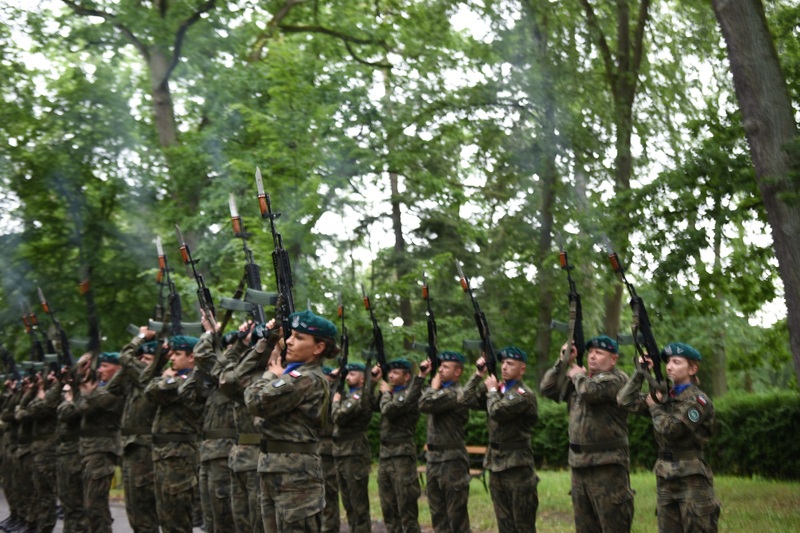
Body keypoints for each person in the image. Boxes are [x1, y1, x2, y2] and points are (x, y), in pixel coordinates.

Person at [243, 310, 338, 532]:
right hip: (275, 468)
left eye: (299, 337)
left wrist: (270, 375)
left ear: (318, 347)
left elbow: (255, 401)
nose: (289, 342)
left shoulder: (306, 378)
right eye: (291, 335)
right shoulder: (292, 374)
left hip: (295, 475)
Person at [617, 342, 721, 532]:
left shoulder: (698, 401)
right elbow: (625, 400)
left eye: (676, 362)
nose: (670, 367)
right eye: (668, 362)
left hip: (691, 477)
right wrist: (641, 372)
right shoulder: (664, 396)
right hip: (665, 475)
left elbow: (672, 429)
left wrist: (655, 407)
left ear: (692, 369)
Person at [540, 335, 634, 533]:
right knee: (585, 527)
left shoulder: (618, 380)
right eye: (590, 352)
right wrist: (563, 361)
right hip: (579, 465)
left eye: (599, 353)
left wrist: (577, 375)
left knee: (613, 525)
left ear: (613, 359)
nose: (592, 356)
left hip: (607, 466)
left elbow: (590, 392)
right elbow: (547, 388)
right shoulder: (582, 380)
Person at [460, 346, 539, 533]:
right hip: (495, 464)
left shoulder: (523, 394)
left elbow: (497, 412)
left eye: (510, 363)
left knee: (523, 524)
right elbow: (463, 399)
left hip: (517, 466)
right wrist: (478, 375)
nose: (504, 367)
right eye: (502, 363)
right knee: (504, 523)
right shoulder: (497, 391)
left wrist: (491, 391)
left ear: (522, 369)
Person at [143, 335, 205, 533]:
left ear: (192, 357)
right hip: (164, 454)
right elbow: (148, 388)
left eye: (177, 354)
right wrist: (166, 374)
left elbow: (157, 388)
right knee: (166, 518)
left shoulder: (195, 379)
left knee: (178, 519)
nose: (172, 358)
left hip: (180, 456)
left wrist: (167, 377)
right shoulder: (175, 378)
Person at [109, 331, 160, 533]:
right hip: (131, 447)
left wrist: (139, 337)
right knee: (134, 510)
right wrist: (126, 368)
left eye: (146, 358)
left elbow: (125, 357)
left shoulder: (151, 379)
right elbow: (113, 387)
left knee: (145, 509)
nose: (140, 362)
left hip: (145, 449)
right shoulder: (135, 382)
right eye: (140, 358)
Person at [417, 351, 471, 533]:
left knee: (456, 519)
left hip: (451, 461)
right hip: (433, 459)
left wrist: (432, 387)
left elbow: (425, 404)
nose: (440, 370)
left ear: (458, 372)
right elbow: (416, 399)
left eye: (446, 367)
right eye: (440, 366)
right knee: (438, 517)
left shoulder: (456, 393)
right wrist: (422, 376)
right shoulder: (438, 391)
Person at [71, 352, 124, 533]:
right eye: (99, 365)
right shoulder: (100, 388)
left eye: (105, 366)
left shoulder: (114, 390)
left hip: (102, 450)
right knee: (89, 504)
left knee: (95, 505)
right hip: (90, 450)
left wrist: (82, 387)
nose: (100, 370)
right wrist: (79, 376)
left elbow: (84, 407)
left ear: (119, 368)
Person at [373, 358, 423, 533]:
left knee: (406, 509)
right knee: (388, 508)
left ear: (407, 376)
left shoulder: (408, 395)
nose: (391, 376)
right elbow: (369, 404)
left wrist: (386, 392)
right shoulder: (388, 393)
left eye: (396, 372)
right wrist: (373, 382)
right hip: (385, 455)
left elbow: (389, 410)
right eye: (390, 372)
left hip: (402, 456)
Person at [330, 361, 373, 533]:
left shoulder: (358, 397)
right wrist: (334, 381)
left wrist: (335, 402)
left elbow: (338, 417)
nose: (348, 377)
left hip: (354, 455)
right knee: (348, 504)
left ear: (362, 379)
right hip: (341, 453)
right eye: (347, 374)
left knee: (358, 506)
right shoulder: (346, 396)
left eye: (352, 374)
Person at [319, 366, 340, 533]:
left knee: (329, 496)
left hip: (326, 451)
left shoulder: (334, 395)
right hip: (312, 450)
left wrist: (335, 382)